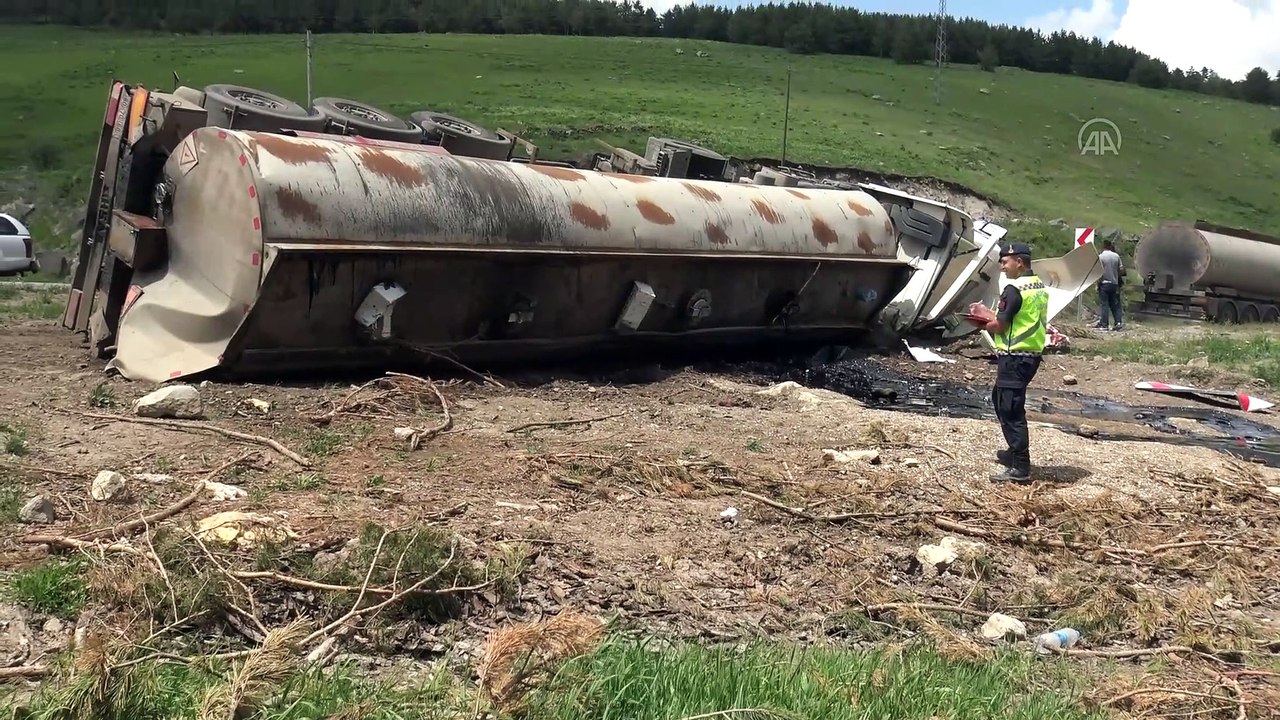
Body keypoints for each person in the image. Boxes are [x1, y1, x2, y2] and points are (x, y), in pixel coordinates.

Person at [966, 242, 1050, 483]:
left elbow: (1000, 325)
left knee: (1010, 409)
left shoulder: (1014, 288)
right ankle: (1013, 452)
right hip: (1029, 355)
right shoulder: (1038, 286)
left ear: (1019, 262)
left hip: (1014, 356)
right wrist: (990, 314)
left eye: (1005, 261)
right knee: (999, 398)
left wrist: (978, 322)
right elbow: (1015, 318)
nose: (1002, 266)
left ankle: (1021, 466)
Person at [1094, 240, 1125, 331]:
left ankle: (1104, 324)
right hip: (1114, 284)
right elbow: (1122, 270)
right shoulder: (1116, 256)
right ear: (1110, 246)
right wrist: (1116, 276)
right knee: (1115, 304)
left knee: (1104, 304)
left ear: (1103, 246)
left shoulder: (1101, 257)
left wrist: (1097, 284)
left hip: (1104, 284)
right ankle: (1118, 322)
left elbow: (1099, 272)